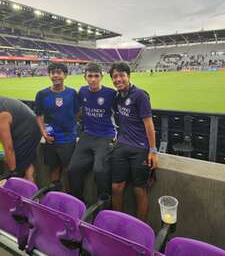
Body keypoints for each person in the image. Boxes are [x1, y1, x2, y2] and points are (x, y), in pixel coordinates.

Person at [109, 62, 159, 221]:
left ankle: (139, 228)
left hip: (140, 148)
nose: (118, 79)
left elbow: (149, 124)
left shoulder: (140, 95)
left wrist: (153, 151)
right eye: (115, 76)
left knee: (139, 190)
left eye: (121, 75)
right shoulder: (117, 97)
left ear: (128, 76)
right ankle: (119, 222)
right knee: (116, 187)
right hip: (121, 146)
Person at [69, 63, 116, 201]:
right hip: (87, 135)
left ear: (101, 77)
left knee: (100, 171)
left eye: (96, 76)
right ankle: (79, 204)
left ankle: (103, 208)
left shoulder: (111, 94)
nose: (93, 79)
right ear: (85, 77)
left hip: (105, 136)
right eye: (90, 76)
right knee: (73, 169)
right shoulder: (82, 91)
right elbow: (77, 112)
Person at [35, 63, 79, 184]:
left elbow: (77, 113)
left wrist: (71, 126)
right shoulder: (42, 94)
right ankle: (54, 194)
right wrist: (43, 132)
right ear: (49, 75)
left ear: (65, 75)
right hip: (51, 138)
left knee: (68, 169)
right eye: (52, 73)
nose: (55, 75)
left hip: (68, 138)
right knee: (53, 168)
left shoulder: (72, 93)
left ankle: (69, 197)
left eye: (59, 72)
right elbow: (38, 115)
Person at [0, 96, 41, 182]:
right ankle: (30, 189)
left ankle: (25, 189)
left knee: (18, 167)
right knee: (26, 163)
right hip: (26, 126)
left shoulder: (2, 114)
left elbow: (8, 147)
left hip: (28, 131)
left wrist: (13, 171)